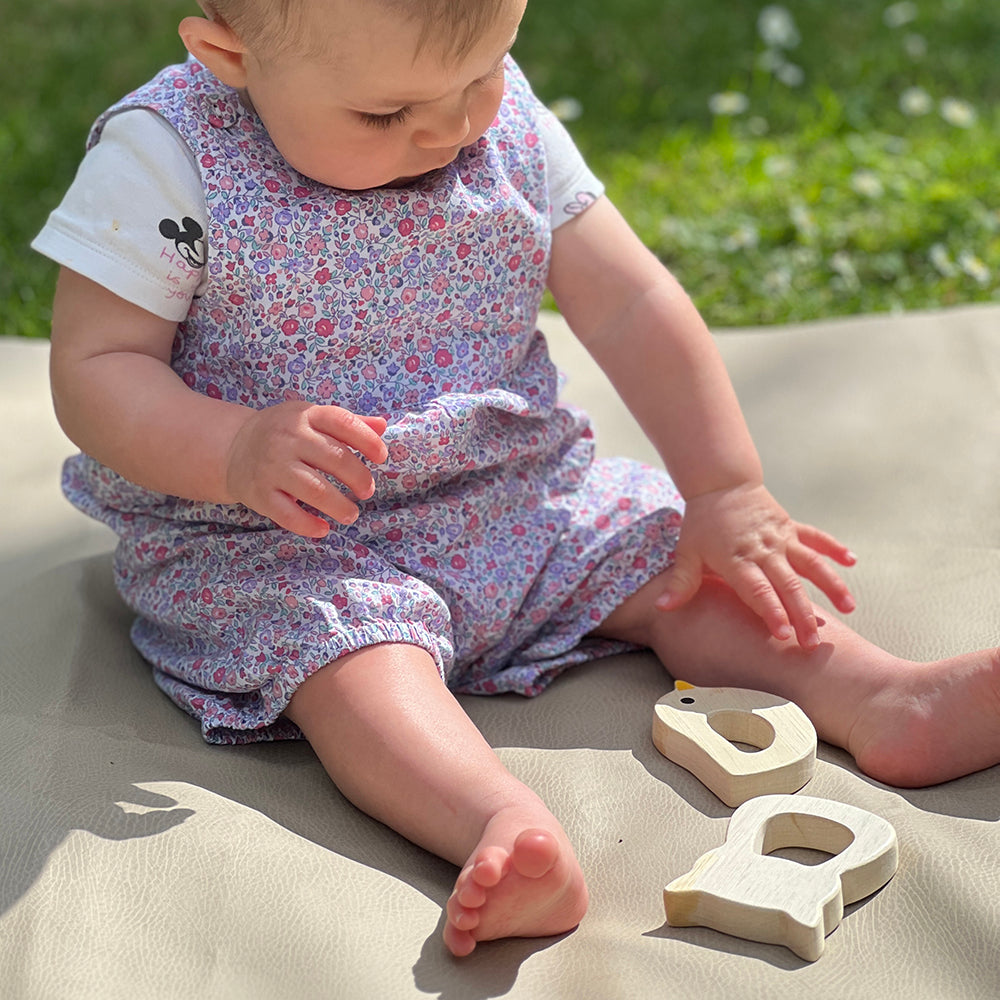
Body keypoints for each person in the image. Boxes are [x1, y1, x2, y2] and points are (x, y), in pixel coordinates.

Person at [34, 0, 1000, 958]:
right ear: (228, 55)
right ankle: (497, 821)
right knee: (348, 657)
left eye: (483, 75)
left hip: (514, 494)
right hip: (277, 539)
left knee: (676, 557)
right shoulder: (168, 157)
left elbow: (629, 302)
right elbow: (97, 369)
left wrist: (723, 490)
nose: (452, 126)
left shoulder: (502, 122)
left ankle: (885, 700)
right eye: (386, 114)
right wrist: (233, 448)